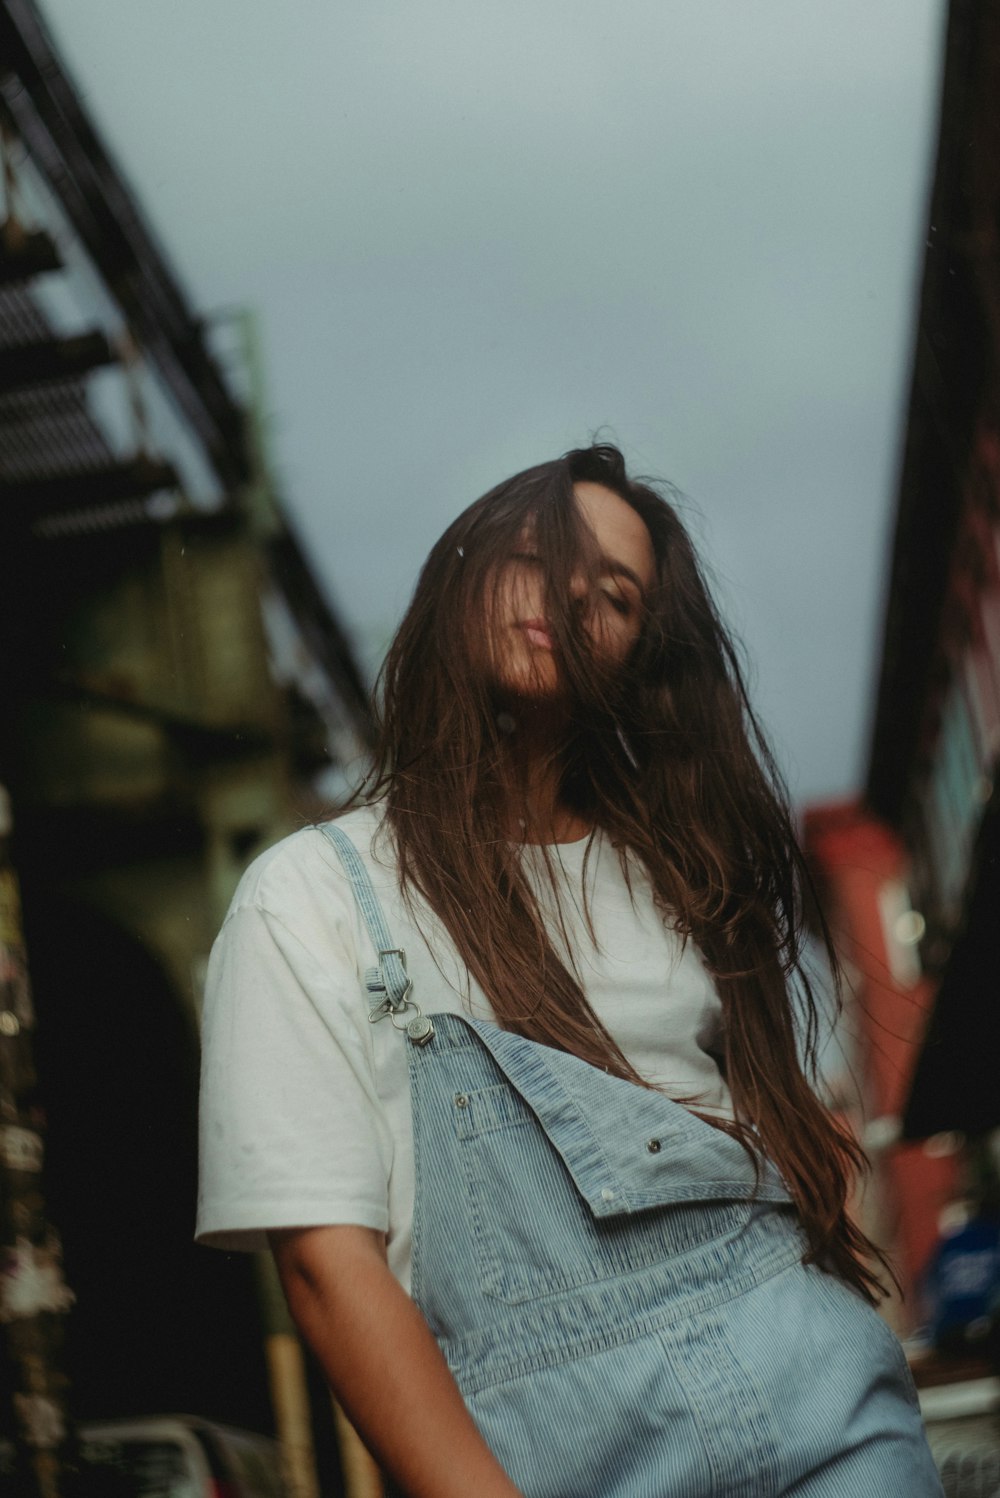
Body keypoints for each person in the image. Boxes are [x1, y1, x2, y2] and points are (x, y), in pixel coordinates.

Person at [197, 444, 942, 1497]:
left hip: (828, 1422)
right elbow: (327, 1265)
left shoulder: (675, 877)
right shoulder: (311, 899)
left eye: (614, 594)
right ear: (458, 569)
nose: (565, 596)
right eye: (536, 552)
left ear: (638, 654)